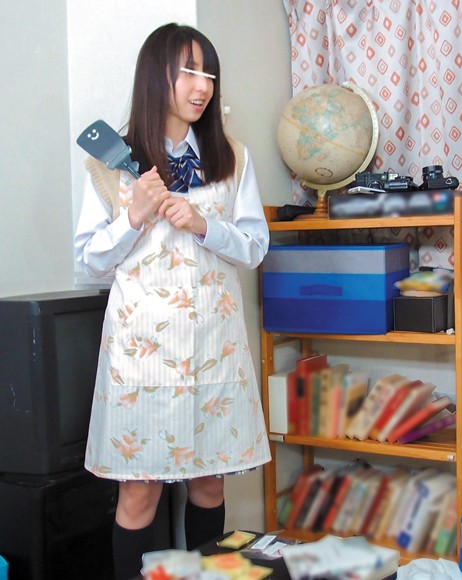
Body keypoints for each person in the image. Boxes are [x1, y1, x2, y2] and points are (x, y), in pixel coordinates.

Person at [74, 23, 271, 580]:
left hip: (214, 350)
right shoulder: (110, 163)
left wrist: (206, 225)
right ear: (154, 75)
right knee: (139, 492)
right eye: (188, 71)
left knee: (209, 483)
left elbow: (255, 247)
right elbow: (88, 262)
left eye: (208, 74)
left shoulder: (232, 157)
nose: (201, 85)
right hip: (141, 357)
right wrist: (134, 216)